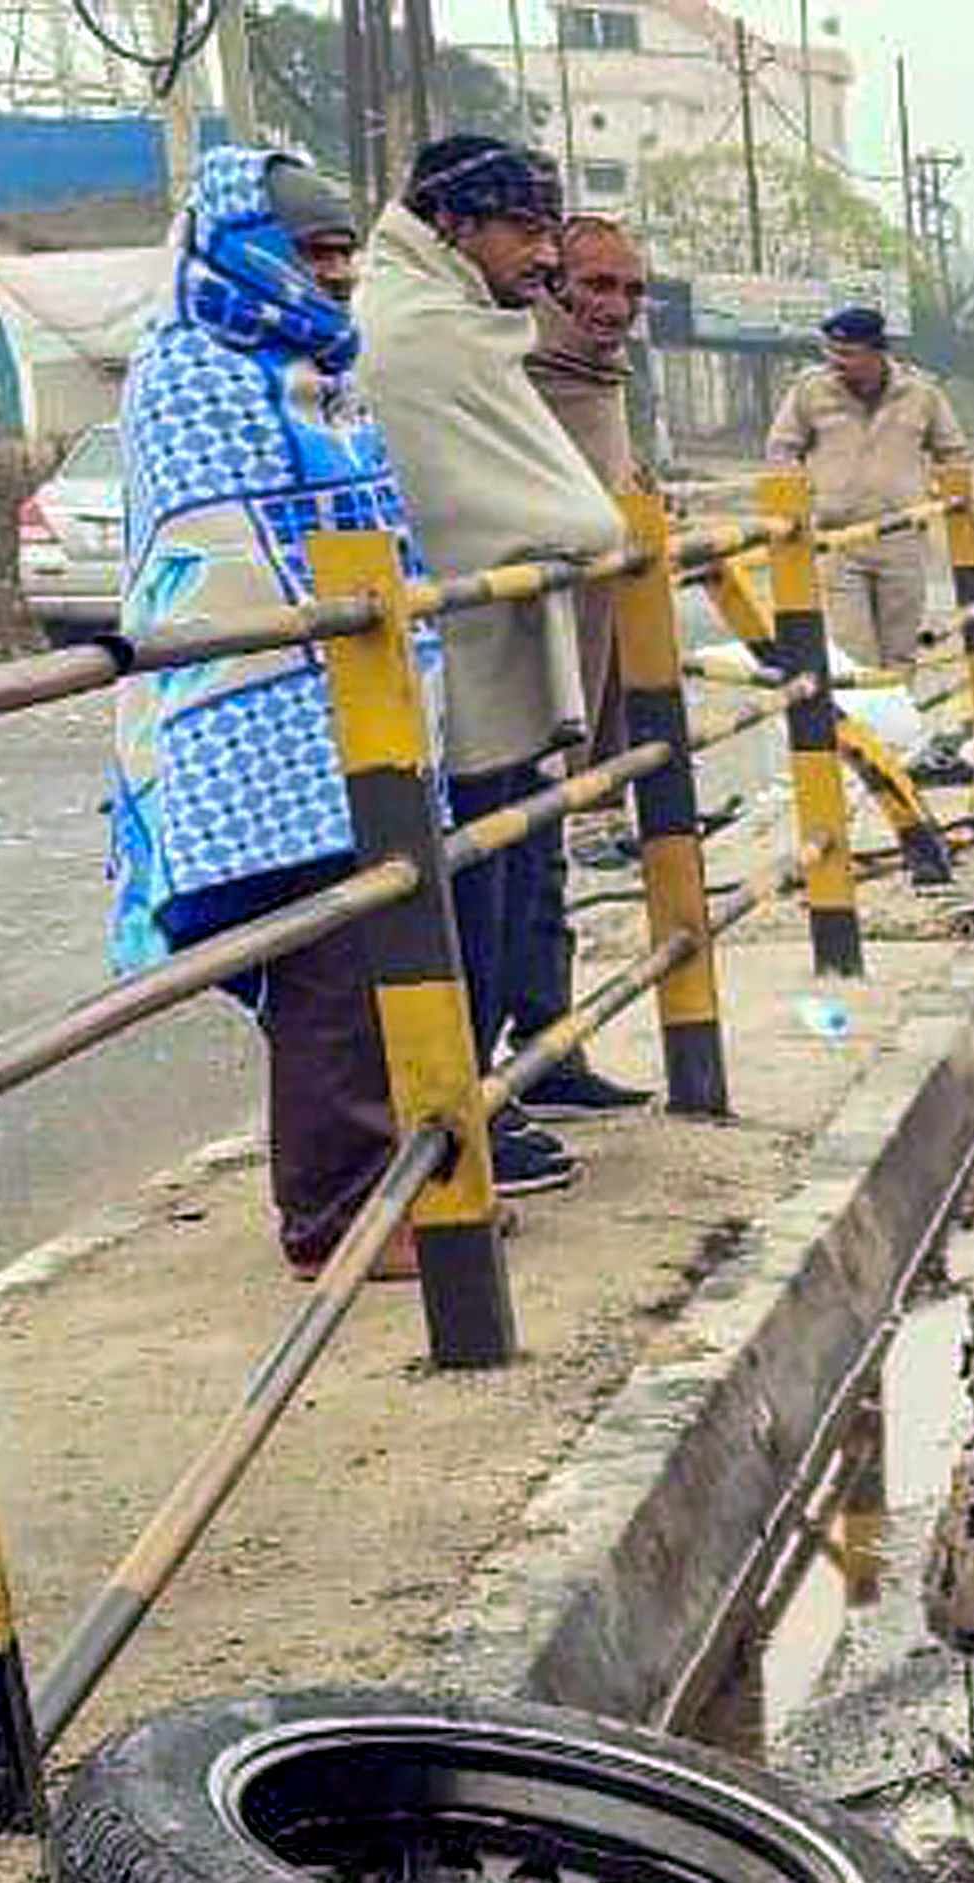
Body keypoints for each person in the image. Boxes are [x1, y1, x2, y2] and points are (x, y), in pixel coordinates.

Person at [104, 146, 449, 1278]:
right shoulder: (193, 369)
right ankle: (335, 1219)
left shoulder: (315, 368)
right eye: (314, 250)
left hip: (350, 705)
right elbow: (222, 551)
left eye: (347, 249)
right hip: (253, 722)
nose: (339, 271)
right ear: (247, 246)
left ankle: (393, 1185)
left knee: (370, 956)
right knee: (326, 973)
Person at [356, 133, 623, 1196]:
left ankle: (509, 1084)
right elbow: (532, 507)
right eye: (525, 227)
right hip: (448, 670)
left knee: (515, 878)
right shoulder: (416, 334)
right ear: (455, 225)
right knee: (467, 893)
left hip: (497, 663)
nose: (543, 252)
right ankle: (456, 1126)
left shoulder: (464, 323)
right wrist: (587, 527)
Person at [504, 210, 654, 1115]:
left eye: (632, 290)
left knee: (545, 864)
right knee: (504, 867)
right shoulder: (514, 370)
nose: (616, 307)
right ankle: (498, 1081)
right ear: (554, 281)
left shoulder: (601, 377)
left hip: (594, 657)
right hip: (518, 655)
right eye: (597, 286)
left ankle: (550, 1048)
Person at [765, 304, 968, 678]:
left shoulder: (921, 393)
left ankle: (897, 735)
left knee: (900, 654)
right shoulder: (810, 391)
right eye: (829, 351)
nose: (834, 361)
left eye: (846, 353)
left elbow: (952, 451)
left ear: (877, 352)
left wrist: (937, 497)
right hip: (838, 542)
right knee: (852, 655)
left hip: (901, 540)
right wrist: (804, 499)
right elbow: (781, 450)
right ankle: (866, 734)